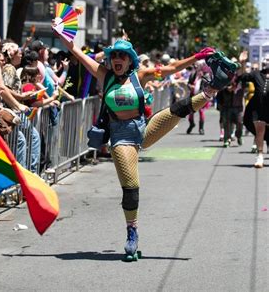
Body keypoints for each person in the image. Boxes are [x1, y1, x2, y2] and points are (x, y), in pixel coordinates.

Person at [54, 25, 236, 260]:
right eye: (114, 56)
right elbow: (77, 52)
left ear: (130, 61)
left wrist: (198, 56)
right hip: (120, 138)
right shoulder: (104, 75)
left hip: (143, 129)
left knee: (177, 109)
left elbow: (171, 68)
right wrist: (63, 36)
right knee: (131, 187)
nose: (117, 59)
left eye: (122, 56)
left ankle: (214, 87)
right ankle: (132, 232)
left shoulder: (140, 76)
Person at [238, 51, 269, 168]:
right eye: (267, 61)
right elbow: (242, 77)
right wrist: (242, 63)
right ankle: (260, 156)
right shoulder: (257, 74)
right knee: (259, 132)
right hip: (258, 107)